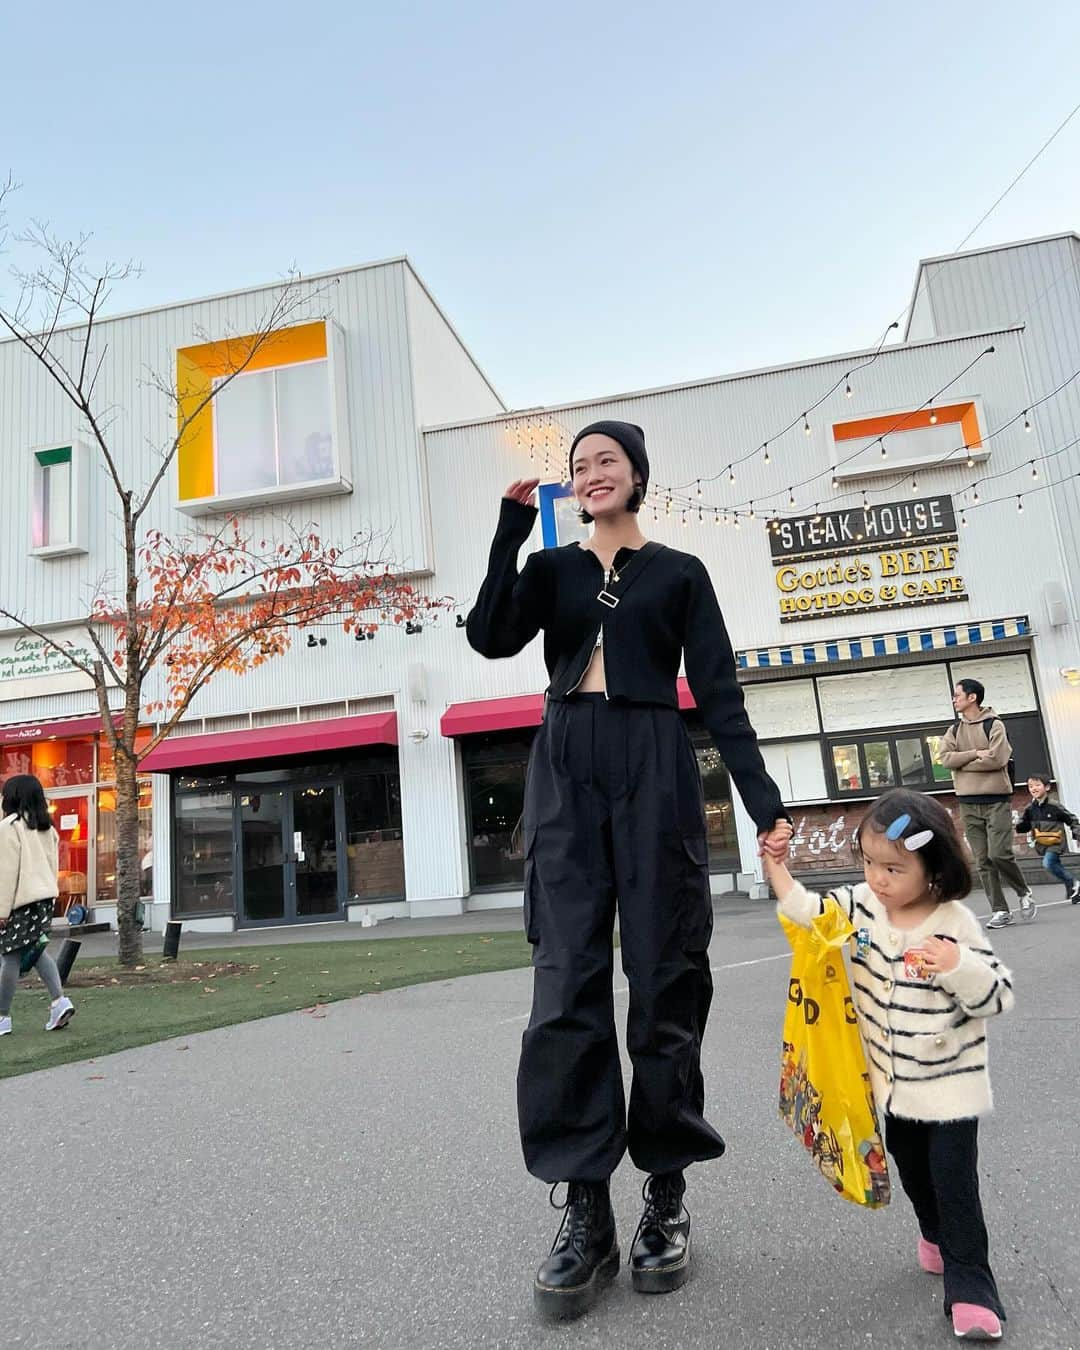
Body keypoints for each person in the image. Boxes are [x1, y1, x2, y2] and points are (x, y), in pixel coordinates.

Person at [467, 419, 791, 1319]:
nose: (591, 473)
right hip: (565, 760)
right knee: (564, 985)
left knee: (666, 977)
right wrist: (506, 529)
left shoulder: (680, 572)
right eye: (579, 466)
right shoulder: (554, 569)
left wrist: (764, 804)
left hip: (653, 757)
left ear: (638, 475)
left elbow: (719, 691)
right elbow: (491, 636)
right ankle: (585, 1211)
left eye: (606, 461)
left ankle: (667, 1193)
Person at [764, 788, 1012, 1342]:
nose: (877, 878)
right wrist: (775, 868)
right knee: (909, 1163)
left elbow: (996, 996)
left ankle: (971, 1281)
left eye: (893, 868)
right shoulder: (864, 905)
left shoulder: (955, 923)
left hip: (950, 1085)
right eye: (870, 862)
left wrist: (957, 966)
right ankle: (932, 1233)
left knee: (954, 1179)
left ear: (935, 870)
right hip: (893, 1084)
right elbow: (812, 915)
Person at [937, 678, 1035, 929]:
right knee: (982, 860)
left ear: (972, 697)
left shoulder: (995, 724)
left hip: (996, 800)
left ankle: (1023, 892)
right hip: (967, 803)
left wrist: (965, 765)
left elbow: (997, 759)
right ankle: (1001, 911)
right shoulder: (954, 731)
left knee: (999, 854)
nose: (953, 699)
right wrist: (975, 753)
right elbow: (945, 759)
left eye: (957, 695)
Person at [0, 774, 75, 1036]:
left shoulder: (9, 827)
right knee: (35, 951)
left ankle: (2, 1016)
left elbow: (6, 872)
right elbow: (53, 866)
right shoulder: (47, 828)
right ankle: (59, 1001)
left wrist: (2, 910)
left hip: (19, 901)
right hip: (44, 901)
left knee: (9, 955)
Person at [1016, 774, 1080, 903]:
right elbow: (1024, 826)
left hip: (1056, 842)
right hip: (1041, 844)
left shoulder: (1054, 805)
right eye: (1030, 786)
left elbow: (1071, 819)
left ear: (1047, 787)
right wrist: (1020, 825)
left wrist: (1077, 834)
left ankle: (1074, 883)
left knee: (1048, 863)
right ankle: (1073, 890)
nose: (1033, 788)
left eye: (1037, 785)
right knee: (1054, 865)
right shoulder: (1030, 809)